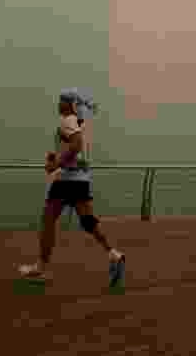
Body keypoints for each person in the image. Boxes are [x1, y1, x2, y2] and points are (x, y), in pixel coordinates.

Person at [18, 97, 126, 286]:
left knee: (48, 220)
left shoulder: (68, 121)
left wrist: (56, 164)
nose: (58, 103)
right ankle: (113, 254)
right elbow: (75, 151)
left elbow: (76, 146)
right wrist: (56, 157)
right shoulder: (79, 123)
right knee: (88, 222)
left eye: (63, 100)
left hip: (66, 180)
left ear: (71, 105)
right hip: (81, 180)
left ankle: (41, 268)